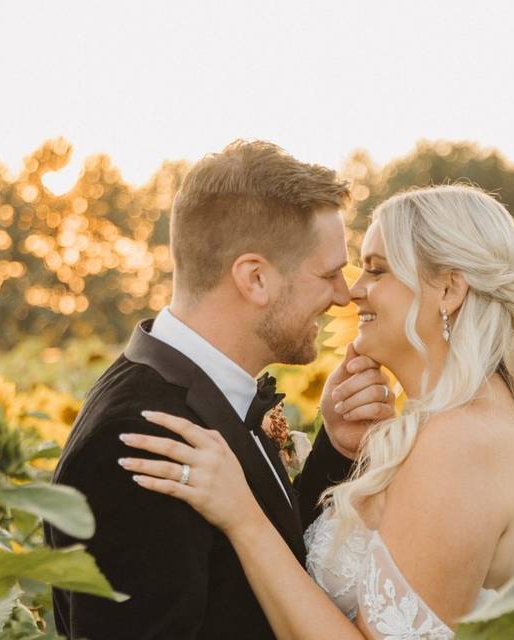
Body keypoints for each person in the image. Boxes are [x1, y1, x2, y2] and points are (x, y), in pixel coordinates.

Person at [120, 184, 514, 638]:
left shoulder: (462, 440)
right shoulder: (443, 422)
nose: (354, 293)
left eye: (376, 270)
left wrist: (242, 517)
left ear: (449, 288)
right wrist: (345, 446)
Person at [46, 140, 396, 639]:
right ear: (255, 279)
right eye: (328, 273)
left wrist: (335, 449)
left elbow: (263, 564)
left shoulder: (203, 392)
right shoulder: (138, 440)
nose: (344, 295)